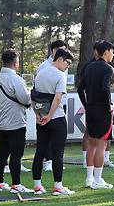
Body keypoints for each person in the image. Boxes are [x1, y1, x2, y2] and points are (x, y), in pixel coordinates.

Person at [31, 49, 75, 195]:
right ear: (61, 59)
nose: (68, 66)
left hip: (41, 118)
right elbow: (57, 98)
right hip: (55, 118)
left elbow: (34, 96)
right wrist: (49, 115)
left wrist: (38, 114)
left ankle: (37, 186)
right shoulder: (59, 75)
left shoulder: (40, 73)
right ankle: (58, 186)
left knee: (40, 151)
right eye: (67, 63)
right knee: (57, 153)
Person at [0, 49, 34, 193]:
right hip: (15, 121)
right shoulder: (16, 79)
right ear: (15, 63)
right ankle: (16, 184)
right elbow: (24, 99)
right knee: (16, 154)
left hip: (1, 121)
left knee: (2, 153)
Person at [78, 41, 114, 190]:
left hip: (91, 110)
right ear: (106, 52)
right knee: (102, 144)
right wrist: (109, 106)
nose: (113, 55)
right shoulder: (108, 68)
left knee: (92, 144)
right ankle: (98, 180)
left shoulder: (88, 67)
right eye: (112, 52)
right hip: (102, 110)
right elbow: (105, 89)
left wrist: (87, 105)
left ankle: (89, 178)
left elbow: (80, 89)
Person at [36, 40, 68, 172]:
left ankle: (39, 182)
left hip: (59, 105)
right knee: (47, 144)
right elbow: (38, 94)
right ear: (53, 51)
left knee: (52, 143)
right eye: (61, 49)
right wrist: (42, 113)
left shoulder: (62, 67)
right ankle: (49, 162)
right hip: (47, 108)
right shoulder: (43, 67)